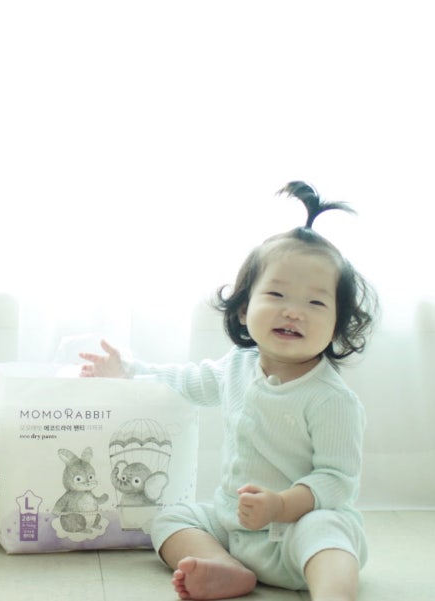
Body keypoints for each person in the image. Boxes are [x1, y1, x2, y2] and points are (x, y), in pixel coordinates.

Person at [80, 182, 378, 601]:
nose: (293, 311)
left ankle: (333, 594)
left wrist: (281, 506)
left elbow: (337, 480)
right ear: (243, 307)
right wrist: (128, 372)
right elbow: (184, 381)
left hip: (299, 534)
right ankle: (226, 568)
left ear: (337, 325)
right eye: (276, 294)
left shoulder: (331, 398)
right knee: (169, 518)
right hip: (234, 528)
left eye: (315, 303)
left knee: (330, 530)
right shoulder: (236, 367)